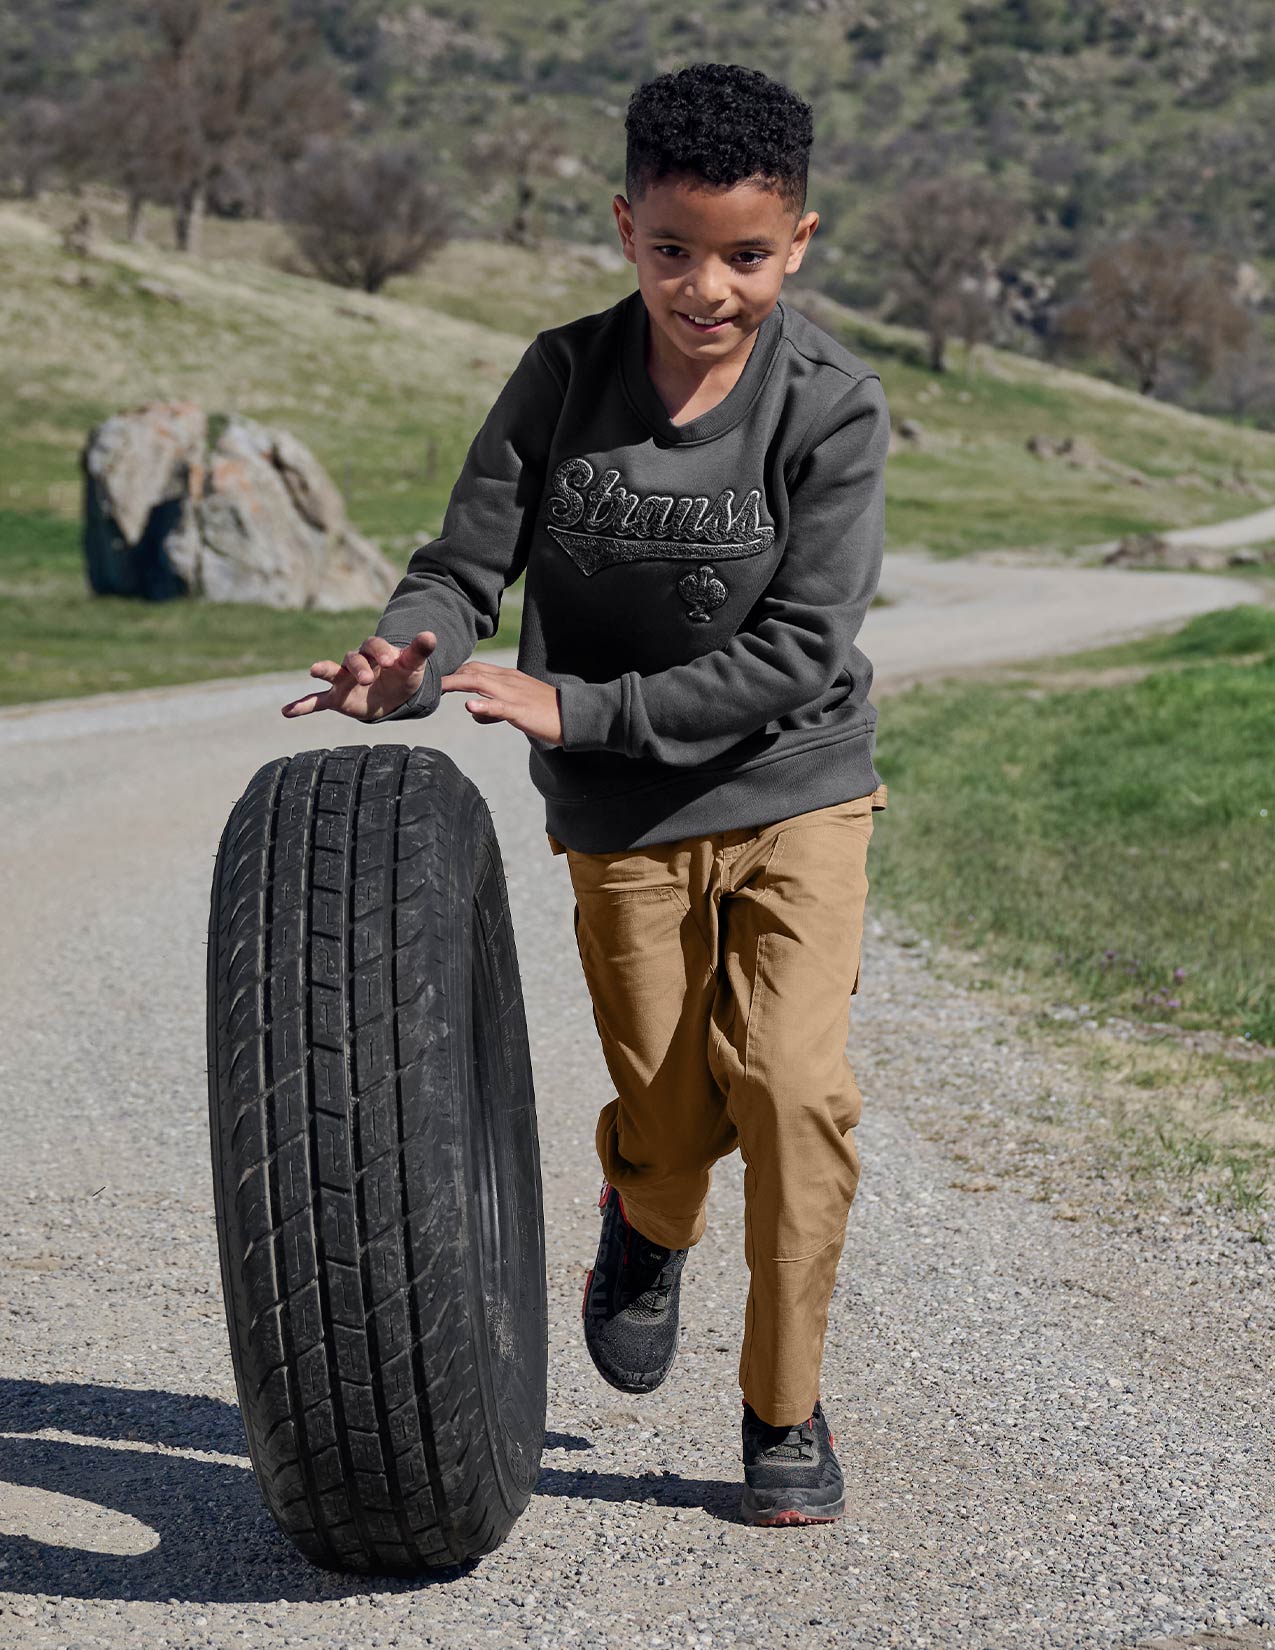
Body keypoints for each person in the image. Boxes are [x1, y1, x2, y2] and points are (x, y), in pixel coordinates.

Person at [281, 61, 891, 1529]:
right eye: (673, 251)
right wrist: (412, 658)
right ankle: (645, 1213)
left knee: (796, 1089)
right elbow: (463, 561)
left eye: (745, 256)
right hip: (621, 818)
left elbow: (804, 647)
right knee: (672, 1117)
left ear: (796, 243)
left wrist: (583, 701)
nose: (707, 289)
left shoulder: (834, 407)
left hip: (796, 785)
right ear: (627, 228)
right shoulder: (562, 375)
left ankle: (783, 1405)